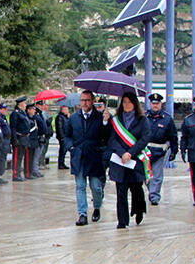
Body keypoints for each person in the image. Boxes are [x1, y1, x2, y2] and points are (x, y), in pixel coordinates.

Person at [63, 89, 110, 225]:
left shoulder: (100, 117)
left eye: (87, 100)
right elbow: (67, 136)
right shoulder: (73, 118)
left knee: (96, 186)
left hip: (94, 157)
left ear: (92, 101)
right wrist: (70, 147)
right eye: (82, 100)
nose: (84, 103)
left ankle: (97, 207)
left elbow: (105, 137)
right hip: (79, 156)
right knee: (80, 186)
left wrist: (106, 122)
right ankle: (82, 214)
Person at [107, 90, 150, 229]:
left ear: (135, 104)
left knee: (136, 188)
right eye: (124, 102)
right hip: (120, 161)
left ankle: (139, 210)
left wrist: (130, 153)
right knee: (121, 191)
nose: (127, 105)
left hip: (134, 160)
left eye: (129, 102)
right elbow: (112, 139)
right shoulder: (116, 120)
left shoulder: (142, 120)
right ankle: (122, 220)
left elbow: (144, 139)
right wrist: (122, 153)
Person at [143, 93, 178, 206]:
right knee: (146, 175)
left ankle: (154, 196)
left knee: (157, 176)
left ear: (161, 104)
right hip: (144, 151)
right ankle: (151, 191)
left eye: (157, 103)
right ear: (150, 104)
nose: (155, 106)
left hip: (159, 151)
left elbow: (173, 136)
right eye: (153, 103)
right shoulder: (143, 117)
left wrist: (174, 151)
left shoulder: (167, 119)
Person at [10, 96, 34, 181]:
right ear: (21, 104)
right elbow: (13, 127)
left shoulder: (22, 113)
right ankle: (16, 175)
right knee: (17, 157)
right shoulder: (15, 113)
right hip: (19, 137)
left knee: (21, 157)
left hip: (25, 138)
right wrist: (14, 139)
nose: (25, 105)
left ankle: (20, 174)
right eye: (24, 103)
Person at [30, 100, 50, 176]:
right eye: (40, 105)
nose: (42, 107)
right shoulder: (36, 115)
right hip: (38, 137)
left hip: (42, 137)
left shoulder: (41, 114)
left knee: (38, 155)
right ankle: (34, 170)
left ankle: (36, 169)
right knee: (35, 156)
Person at [54, 104, 71, 169]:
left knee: (64, 151)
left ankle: (62, 163)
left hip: (66, 136)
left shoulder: (65, 117)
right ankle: (60, 164)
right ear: (63, 110)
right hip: (63, 137)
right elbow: (59, 128)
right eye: (66, 109)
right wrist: (62, 137)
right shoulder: (59, 117)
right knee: (62, 150)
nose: (68, 111)